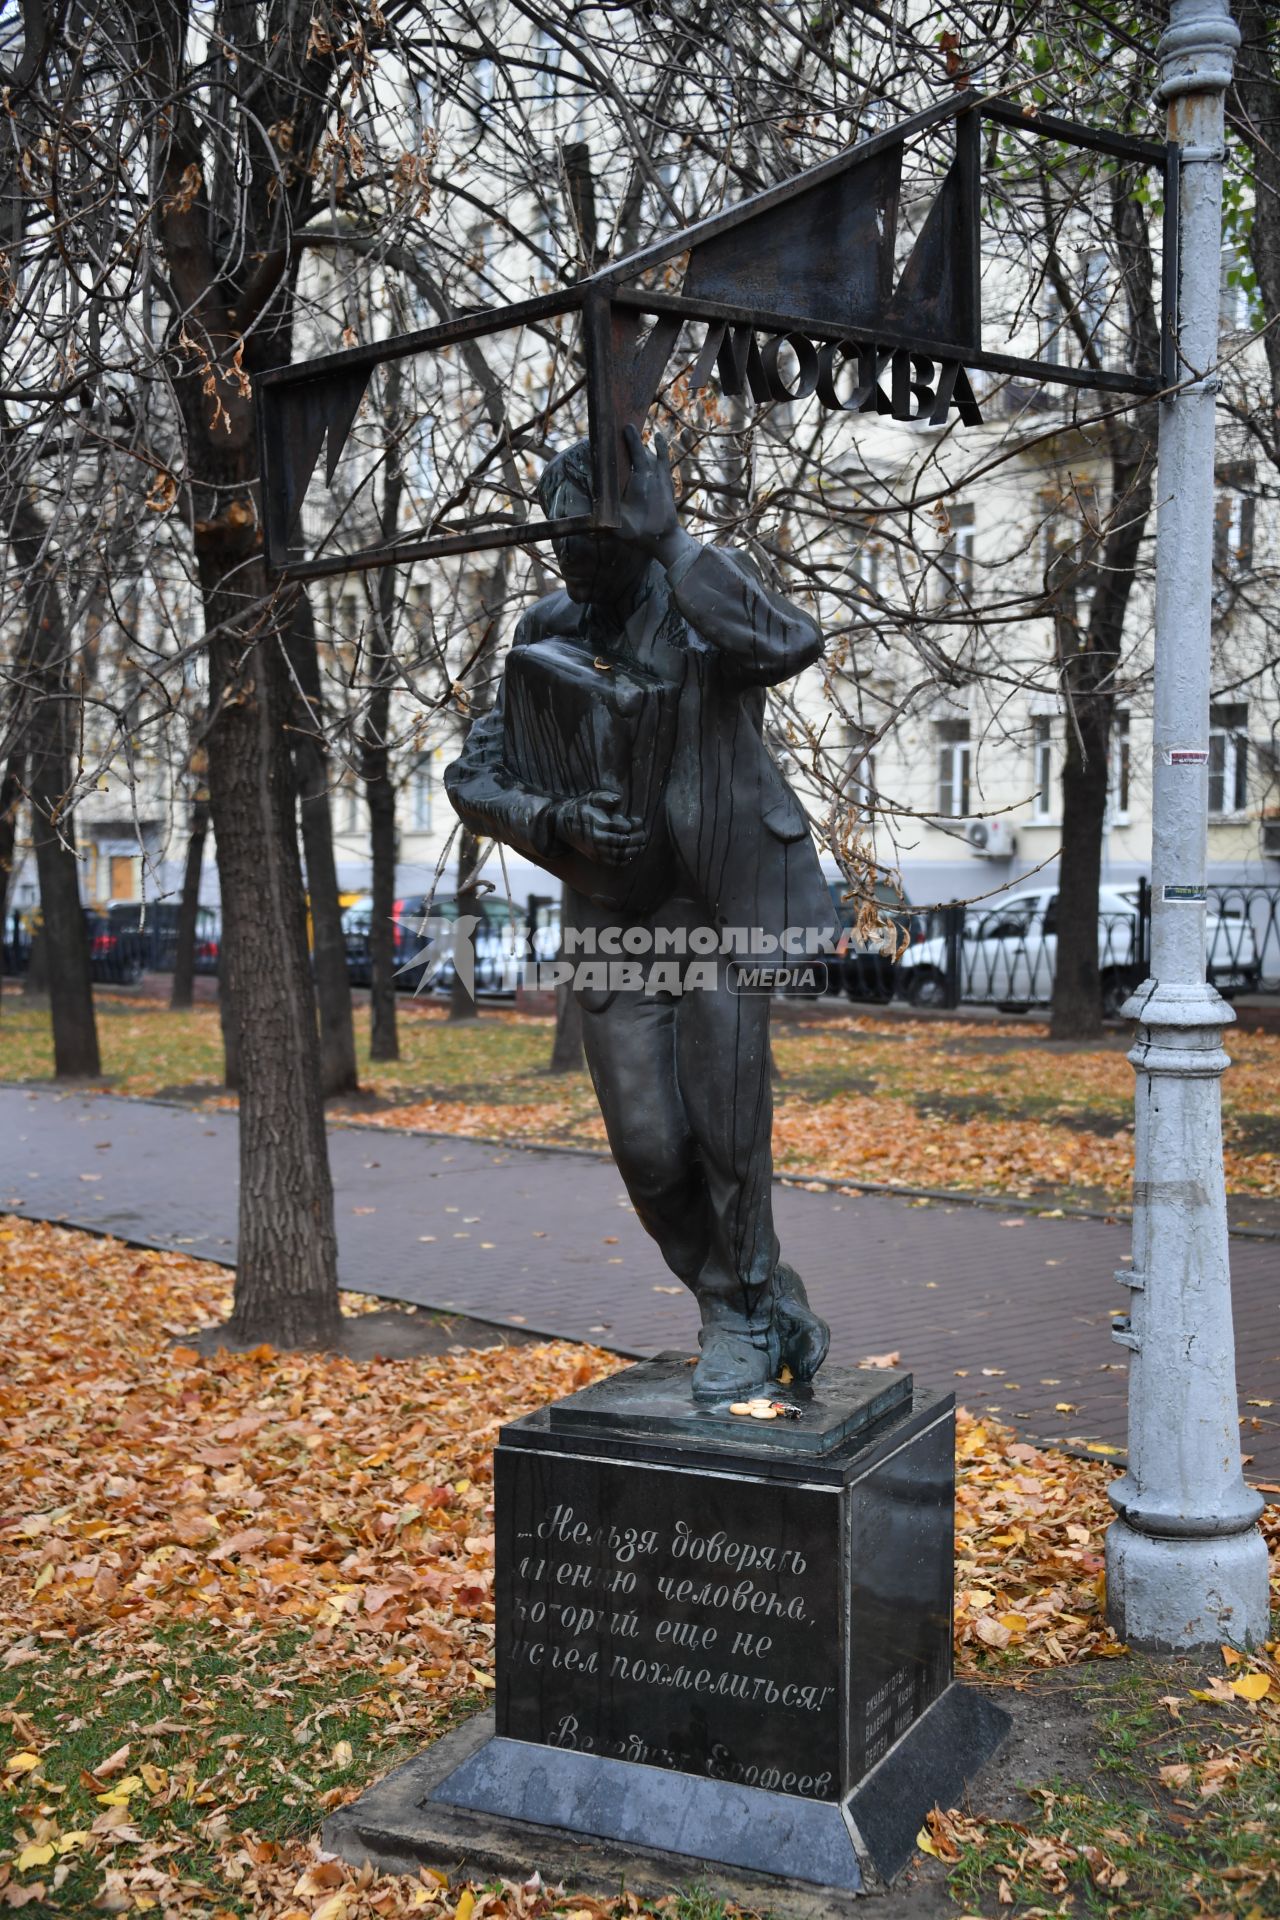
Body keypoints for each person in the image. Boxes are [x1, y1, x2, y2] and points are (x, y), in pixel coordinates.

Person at [445, 426, 838, 1398]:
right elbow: (475, 773)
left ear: (633, 528)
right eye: (558, 541)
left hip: (720, 910)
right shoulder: (545, 629)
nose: (571, 561)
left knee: (727, 1131)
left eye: (590, 539)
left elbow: (788, 642)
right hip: (614, 927)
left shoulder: (697, 600)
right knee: (652, 1154)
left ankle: (736, 1317)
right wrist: (555, 818)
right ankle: (760, 1289)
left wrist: (673, 544)